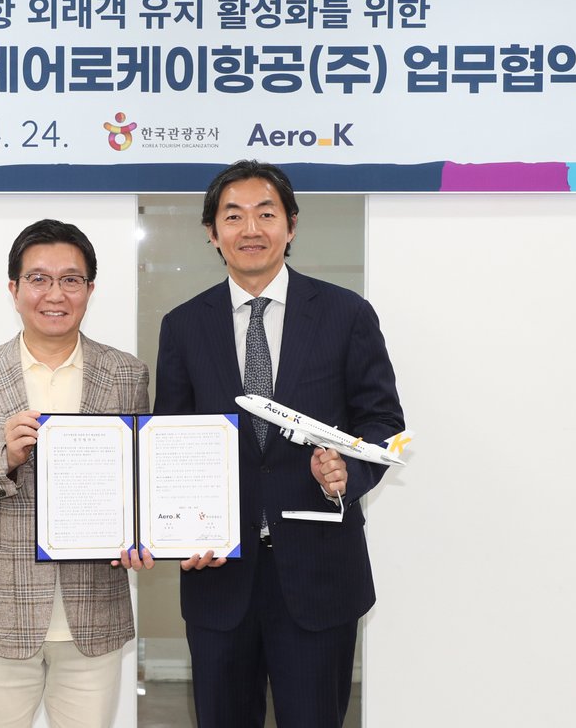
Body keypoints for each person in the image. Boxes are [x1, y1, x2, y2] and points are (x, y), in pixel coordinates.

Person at [154, 161, 405, 728]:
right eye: (233, 216)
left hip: (319, 573)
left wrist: (349, 473)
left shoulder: (345, 314)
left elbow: (383, 420)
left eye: (266, 214)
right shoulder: (184, 325)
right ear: (211, 232)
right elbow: (171, 439)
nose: (251, 229)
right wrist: (178, 529)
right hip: (219, 574)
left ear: (291, 225)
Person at [0, 218, 152, 728]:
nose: (55, 294)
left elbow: (140, 480)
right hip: (0, 613)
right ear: (14, 289)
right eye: (38, 279)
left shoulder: (126, 373)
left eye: (71, 279)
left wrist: (144, 535)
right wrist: (3, 458)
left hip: (94, 611)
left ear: (90, 289)